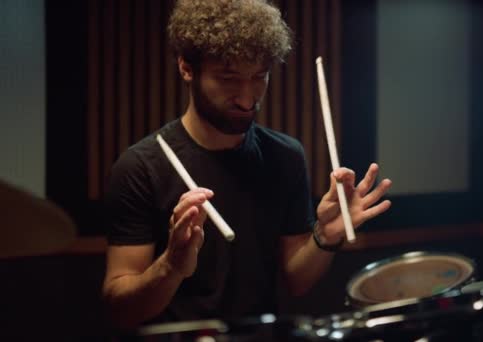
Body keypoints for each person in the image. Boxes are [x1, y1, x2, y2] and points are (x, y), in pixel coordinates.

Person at [102, 0, 392, 330]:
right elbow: (119, 307)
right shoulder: (140, 167)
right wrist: (171, 266)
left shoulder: (285, 156)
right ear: (186, 68)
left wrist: (325, 237)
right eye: (228, 78)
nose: (246, 98)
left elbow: (297, 281)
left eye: (259, 77)